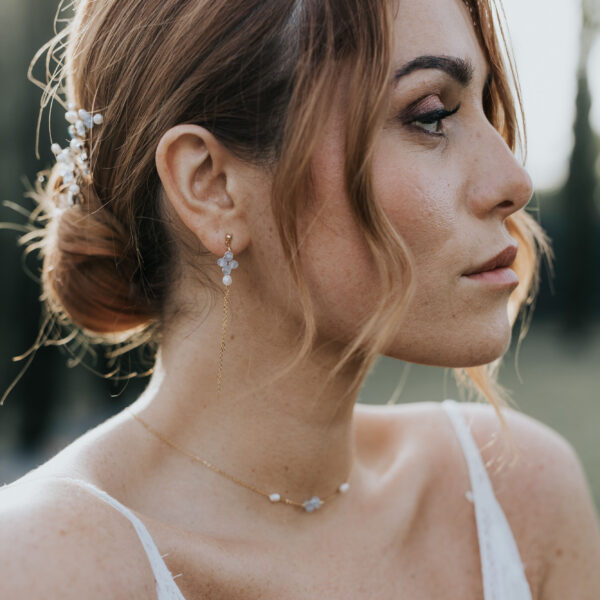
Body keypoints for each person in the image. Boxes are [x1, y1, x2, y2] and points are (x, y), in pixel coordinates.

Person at [1, 0, 599, 597]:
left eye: (484, 110)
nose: (513, 182)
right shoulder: (46, 568)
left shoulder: (515, 497)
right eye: (431, 114)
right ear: (211, 185)